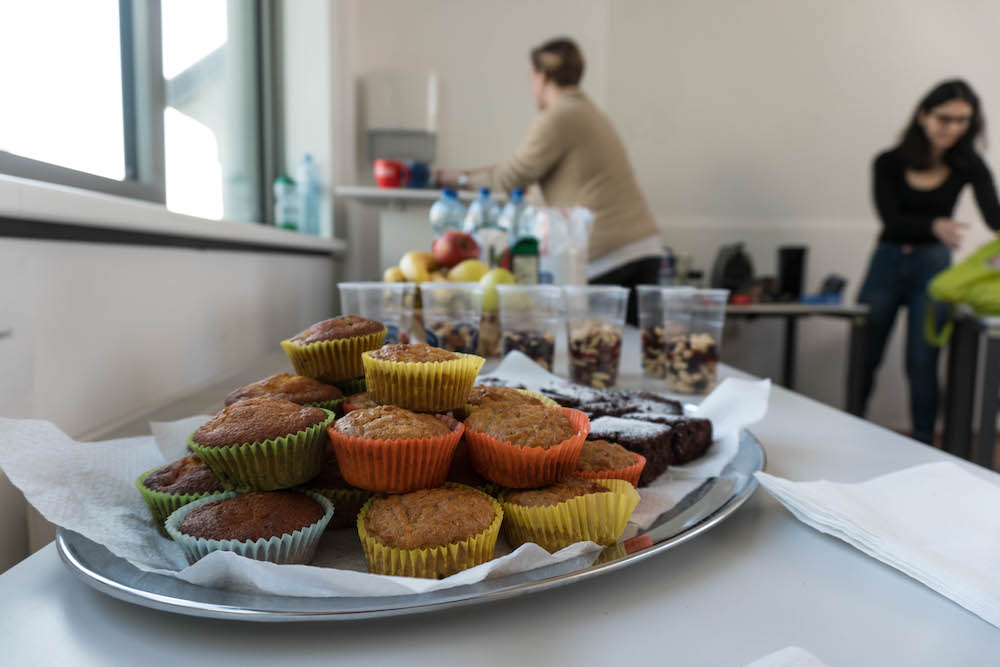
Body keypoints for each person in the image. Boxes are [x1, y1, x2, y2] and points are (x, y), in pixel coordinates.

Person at [435, 37, 662, 323]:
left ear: (540, 76)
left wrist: (446, 178)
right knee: (625, 351)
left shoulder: (560, 117)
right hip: (638, 246)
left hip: (610, 255)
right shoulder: (585, 111)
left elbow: (510, 176)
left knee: (596, 348)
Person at [859, 79, 1000, 444]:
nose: (953, 128)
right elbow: (890, 218)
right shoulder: (888, 162)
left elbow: (995, 217)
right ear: (923, 115)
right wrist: (934, 224)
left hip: (934, 269)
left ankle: (924, 445)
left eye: (963, 120)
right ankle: (850, 431)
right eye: (945, 118)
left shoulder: (968, 163)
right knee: (865, 356)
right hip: (887, 263)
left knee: (922, 363)